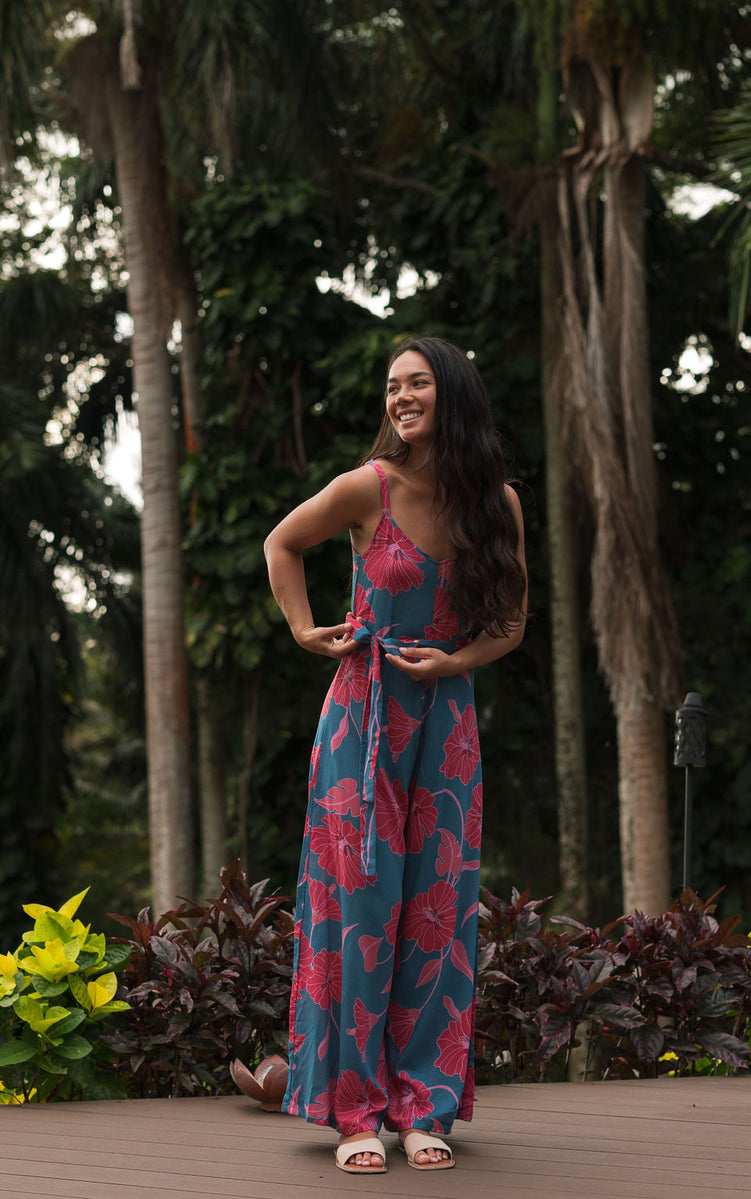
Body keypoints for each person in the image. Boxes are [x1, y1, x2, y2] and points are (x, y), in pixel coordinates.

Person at [264, 336, 527, 1173]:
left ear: (452, 393)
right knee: (360, 908)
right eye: (391, 386)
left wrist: (456, 661)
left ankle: (425, 1106)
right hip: (362, 719)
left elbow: (510, 627)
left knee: (437, 913)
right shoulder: (366, 487)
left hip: (446, 725)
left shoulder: (498, 505)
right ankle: (355, 1114)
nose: (400, 397)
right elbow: (281, 543)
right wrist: (307, 630)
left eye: (416, 383)